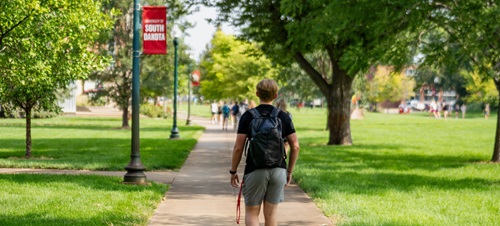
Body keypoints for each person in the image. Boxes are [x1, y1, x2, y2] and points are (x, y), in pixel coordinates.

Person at [230, 79, 299, 226]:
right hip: (278, 169)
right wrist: (290, 171)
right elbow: (295, 146)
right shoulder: (283, 116)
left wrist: (233, 171)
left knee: (252, 213)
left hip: (254, 169)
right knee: (271, 213)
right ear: (275, 95)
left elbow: (238, 147)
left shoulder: (248, 116)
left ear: (257, 94)